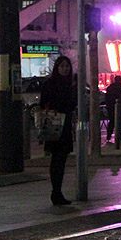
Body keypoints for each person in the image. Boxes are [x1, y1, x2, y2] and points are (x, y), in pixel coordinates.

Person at [40, 56, 75, 206]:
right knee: (57, 160)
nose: (65, 69)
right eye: (62, 66)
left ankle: (57, 192)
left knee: (61, 160)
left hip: (65, 125)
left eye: (67, 66)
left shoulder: (70, 84)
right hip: (55, 124)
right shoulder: (50, 84)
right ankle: (56, 192)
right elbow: (44, 103)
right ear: (57, 68)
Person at [104, 75, 121, 144]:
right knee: (120, 122)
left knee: (112, 122)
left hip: (111, 107)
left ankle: (108, 136)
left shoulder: (110, 88)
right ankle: (120, 136)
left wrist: (108, 106)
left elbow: (107, 98)